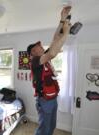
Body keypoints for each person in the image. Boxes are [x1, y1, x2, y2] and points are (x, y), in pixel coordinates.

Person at [27, 6, 71, 135]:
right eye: (38, 46)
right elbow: (52, 53)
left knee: (51, 126)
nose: (41, 46)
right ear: (33, 51)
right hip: (44, 101)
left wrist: (62, 20)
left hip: (52, 98)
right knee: (44, 129)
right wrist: (67, 32)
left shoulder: (42, 57)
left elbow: (55, 39)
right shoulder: (35, 60)